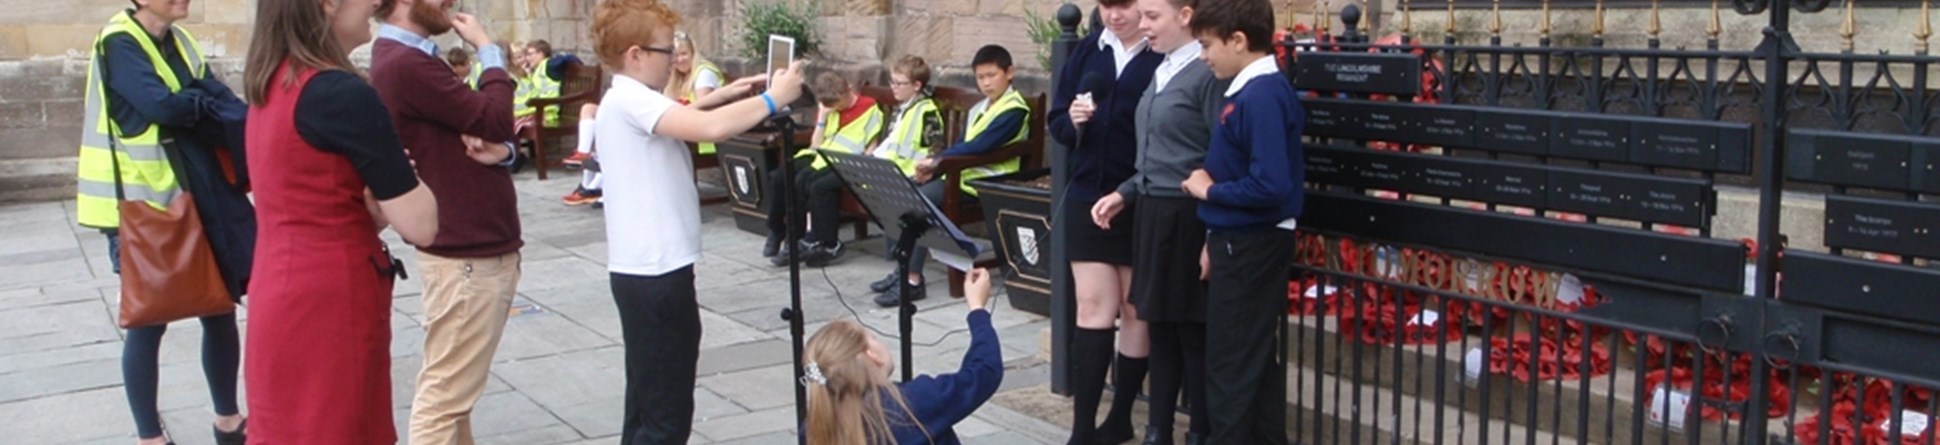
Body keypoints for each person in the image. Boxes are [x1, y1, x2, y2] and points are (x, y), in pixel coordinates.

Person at [585, 0, 805, 441]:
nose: (673, 61)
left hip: (647, 273)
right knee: (666, 411)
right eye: (666, 51)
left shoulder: (628, 99)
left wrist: (724, 94)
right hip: (656, 275)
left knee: (647, 401)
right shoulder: (630, 101)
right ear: (635, 55)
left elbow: (686, 114)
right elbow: (708, 130)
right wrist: (772, 98)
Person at [240, 0, 441, 439]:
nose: (375, 3)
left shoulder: (270, 84)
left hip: (280, 290)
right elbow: (422, 224)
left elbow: (308, 200)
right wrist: (404, 180)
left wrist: (370, 211)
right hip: (331, 302)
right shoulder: (340, 93)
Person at [77, 0, 255, 442]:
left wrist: (193, 102)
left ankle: (228, 420)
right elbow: (164, 109)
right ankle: (149, 436)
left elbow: (214, 97)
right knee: (148, 317)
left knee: (218, 307)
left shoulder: (180, 41)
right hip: (143, 206)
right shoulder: (120, 42)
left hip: (197, 193)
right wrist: (197, 103)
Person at [365, 0, 524, 443]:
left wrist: (506, 151)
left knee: (454, 398)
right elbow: (494, 118)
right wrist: (489, 49)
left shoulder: (412, 59)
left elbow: (487, 137)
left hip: (469, 248)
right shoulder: (405, 63)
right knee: (444, 399)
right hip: (466, 255)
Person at [1092, 0, 1226, 441]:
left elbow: (1217, 157)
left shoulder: (1207, 74)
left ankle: (1199, 433)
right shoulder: (1163, 69)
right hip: (1151, 211)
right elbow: (1156, 155)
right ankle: (1158, 430)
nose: (1142, 25)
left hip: (1186, 214)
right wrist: (1124, 193)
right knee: (1160, 328)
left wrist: (1212, 232)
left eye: (1152, 17)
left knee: (1191, 332)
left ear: (1185, 16)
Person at [1181, 0, 1305, 442]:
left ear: (1238, 40)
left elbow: (1270, 185)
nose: (1203, 55)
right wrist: (1214, 235)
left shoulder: (1263, 93)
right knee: (1251, 364)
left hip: (1253, 244)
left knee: (1231, 367)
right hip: (1238, 241)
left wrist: (1208, 191)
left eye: (1207, 44)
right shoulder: (1250, 89)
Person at [1047, 0, 1162, 441]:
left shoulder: (1160, 50)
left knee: (1136, 310)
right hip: (1086, 193)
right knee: (1094, 306)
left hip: (1139, 195)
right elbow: (1058, 121)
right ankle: (1082, 428)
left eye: (1126, 6)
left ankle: (1120, 420)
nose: (1115, 16)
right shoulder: (1089, 50)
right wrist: (1071, 119)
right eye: (1107, 6)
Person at [884, 44, 1030, 308]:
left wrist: (939, 161)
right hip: (960, 178)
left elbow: (981, 146)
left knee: (919, 203)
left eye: (991, 75)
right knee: (910, 196)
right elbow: (963, 145)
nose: (985, 83)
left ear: (1009, 73)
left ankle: (913, 281)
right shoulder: (979, 108)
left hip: (987, 184)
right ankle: (903, 271)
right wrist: (937, 167)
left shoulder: (1015, 109)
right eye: (980, 77)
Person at [802, 268, 1005, 445]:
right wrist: (977, 310)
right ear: (872, 355)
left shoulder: (814, 428)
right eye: (872, 337)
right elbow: (983, 371)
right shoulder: (913, 403)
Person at [765, 72, 884, 267]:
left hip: (846, 161)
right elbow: (816, 144)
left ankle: (812, 240)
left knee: (806, 181)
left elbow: (872, 144)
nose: (837, 108)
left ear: (847, 90)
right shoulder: (829, 108)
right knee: (780, 176)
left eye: (839, 103)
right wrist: (822, 118)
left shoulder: (868, 108)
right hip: (821, 155)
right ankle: (780, 231)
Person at [864, 55, 945, 299]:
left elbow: (936, 150)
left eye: (899, 83)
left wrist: (926, 171)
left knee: (910, 210)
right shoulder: (905, 110)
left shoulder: (927, 112)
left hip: (916, 176)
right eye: (892, 82)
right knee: (888, 203)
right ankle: (900, 270)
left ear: (917, 86)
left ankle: (912, 280)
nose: (894, 88)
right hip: (897, 173)